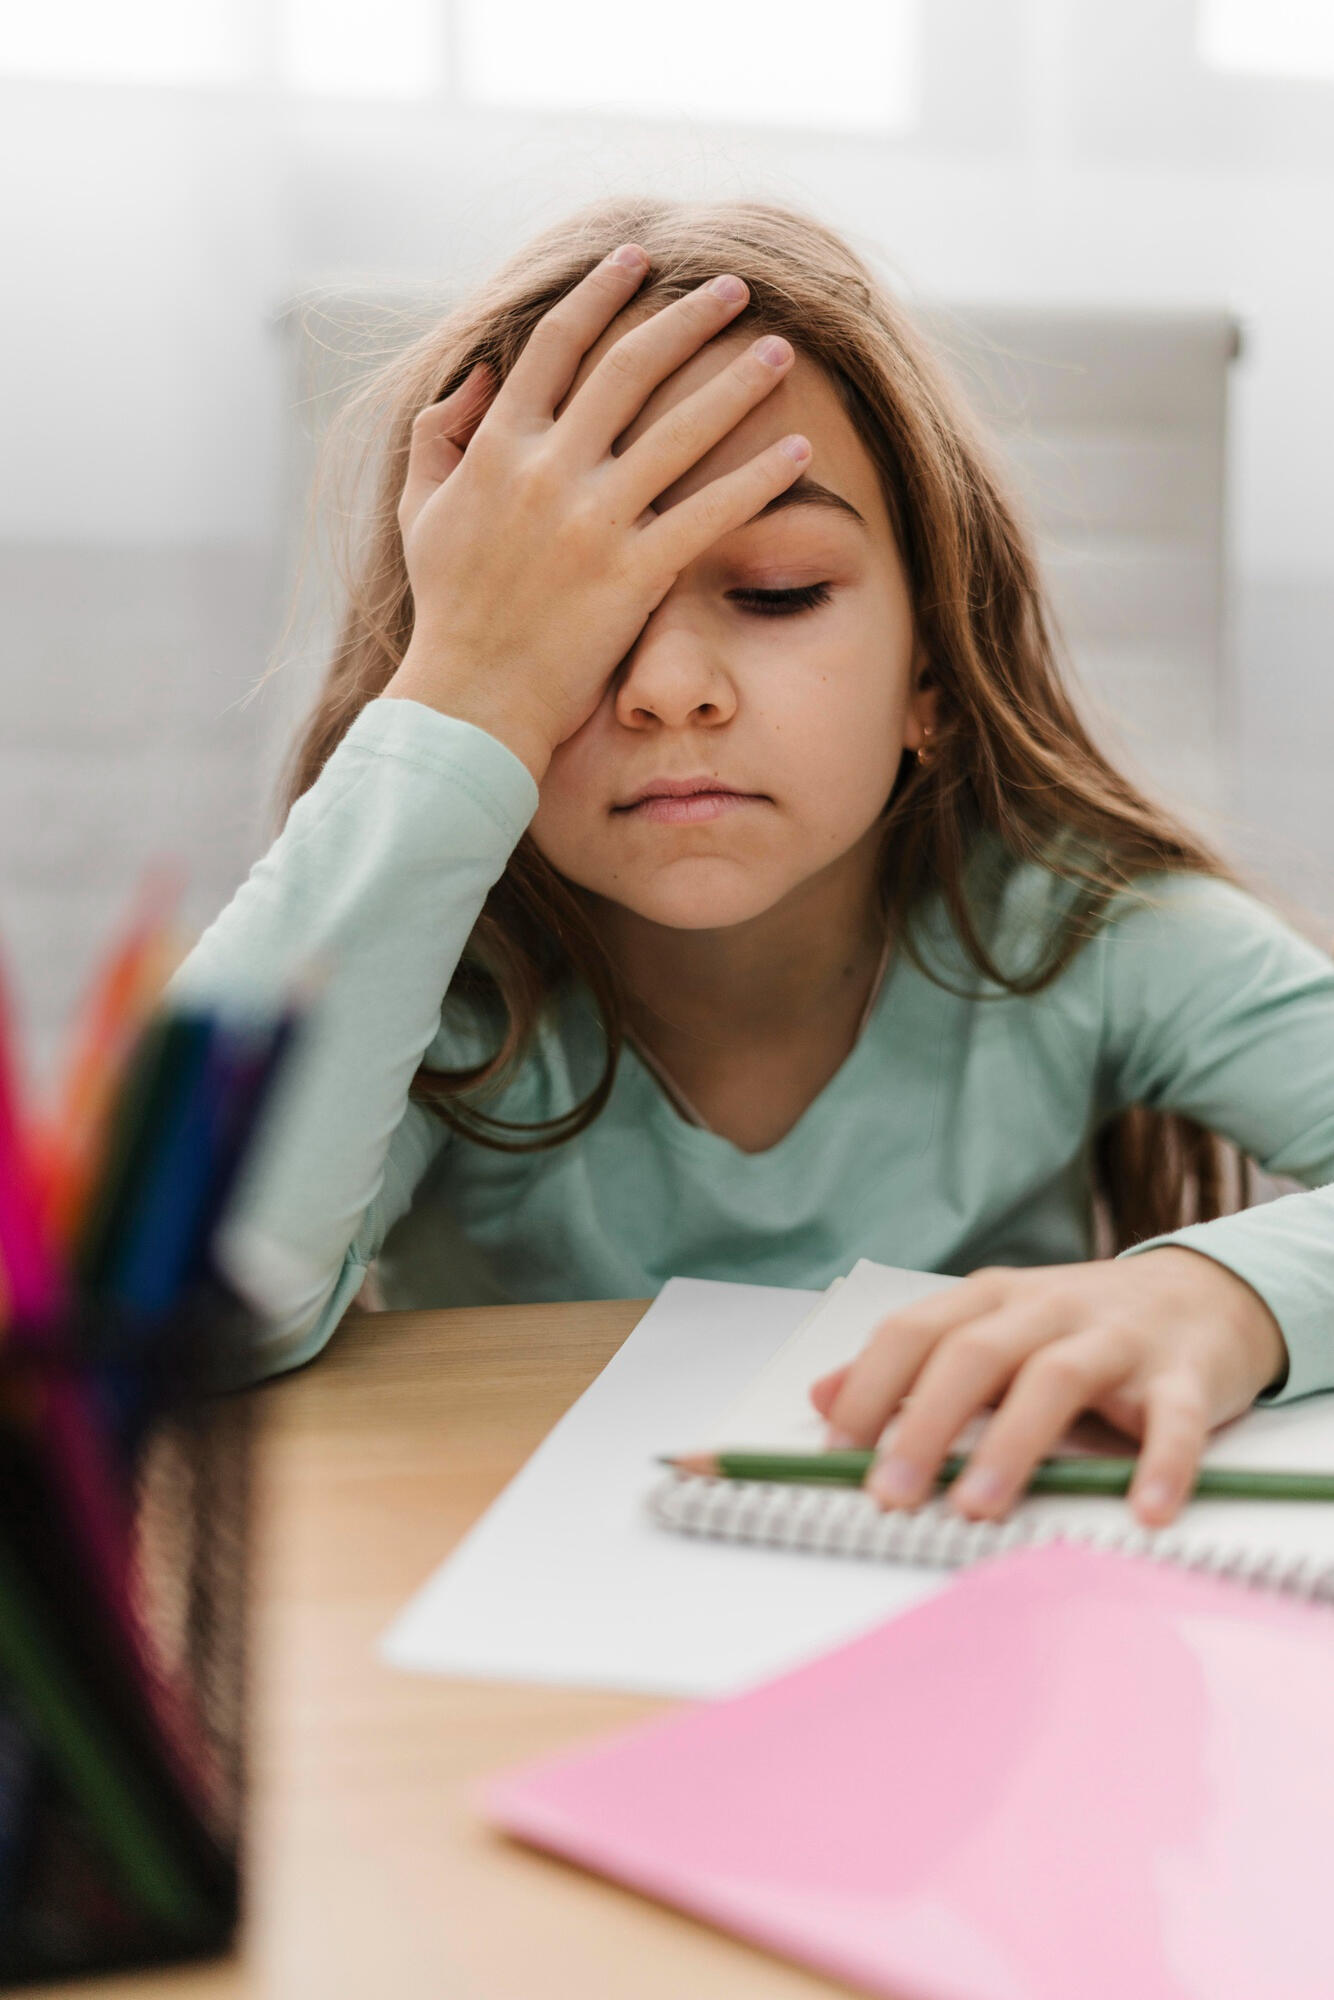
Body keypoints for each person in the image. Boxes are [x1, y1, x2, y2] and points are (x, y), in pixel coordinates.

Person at [170, 196, 1334, 1529]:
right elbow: (176, 1312)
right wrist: (470, 693)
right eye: (567, 620)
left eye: (776, 590)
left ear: (933, 678)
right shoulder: (451, 981)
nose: (668, 690)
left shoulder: (1081, 929)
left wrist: (1218, 1297)